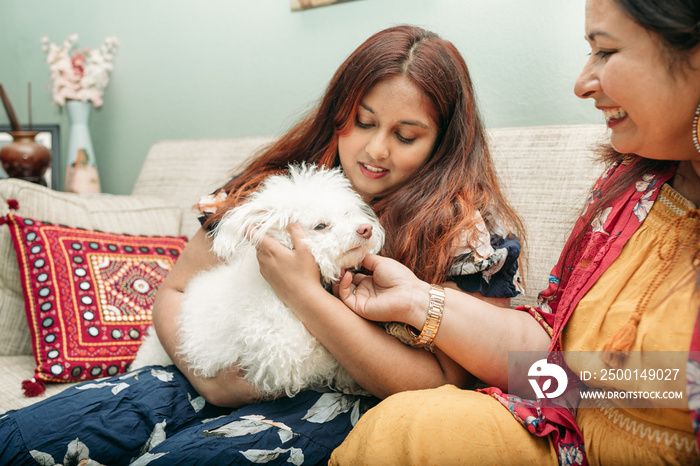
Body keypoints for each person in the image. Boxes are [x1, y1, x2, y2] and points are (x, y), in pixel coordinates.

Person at [0, 25, 524, 465]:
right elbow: (176, 292)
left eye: (406, 136)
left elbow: (444, 382)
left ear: (443, 141)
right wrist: (212, 381)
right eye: (362, 122)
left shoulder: (468, 233)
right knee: (25, 439)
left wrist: (304, 295)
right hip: (198, 374)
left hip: (331, 407)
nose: (375, 149)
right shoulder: (274, 187)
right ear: (338, 111)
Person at [326, 0, 700, 464]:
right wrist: (420, 300)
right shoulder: (631, 188)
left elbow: (670, 386)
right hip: (565, 432)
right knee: (400, 429)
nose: (582, 82)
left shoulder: (468, 224)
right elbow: (547, 366)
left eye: (604, 51)